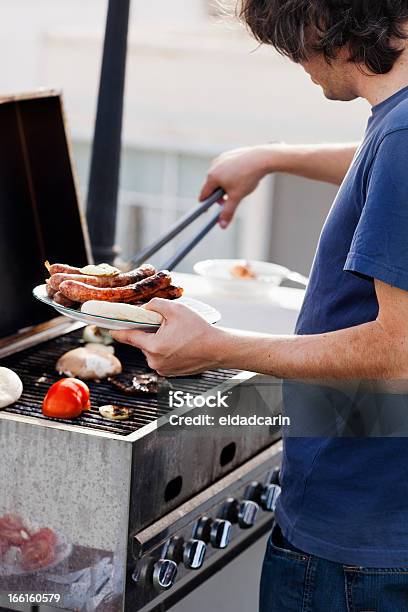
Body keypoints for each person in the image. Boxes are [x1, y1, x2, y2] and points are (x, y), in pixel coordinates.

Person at [111, 1, 408, 610]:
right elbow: (379, 171)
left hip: (356, 541)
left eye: (289, 42)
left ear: (324, 21)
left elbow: (399, 354)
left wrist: (216, 348)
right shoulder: (396, 124)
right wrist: (273, 155)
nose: (294, 62)